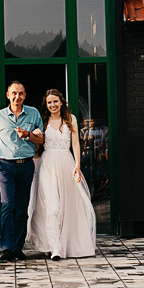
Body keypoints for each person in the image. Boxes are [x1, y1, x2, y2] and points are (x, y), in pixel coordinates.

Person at [26, 88, 97, 259]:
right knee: (52, 207)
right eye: (49, 102)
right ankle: (55, 247)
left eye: (55, 101)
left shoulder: (70, 119)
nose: (52, 105)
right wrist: (34, 135)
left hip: (66, 162)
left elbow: (76, 144)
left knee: (67, 206)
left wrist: (77, 165)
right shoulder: (43, 121)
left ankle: (67, 244)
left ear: (61, 102)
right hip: (48, 164)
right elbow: (37, 143)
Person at [0, 81, 44, 262]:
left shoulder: (34, 113)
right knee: (8, 205)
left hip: (25, 165)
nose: (17, 96)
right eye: (14, 93)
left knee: (22, 208)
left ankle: (17, 248)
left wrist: (28, 135)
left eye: (21, 93)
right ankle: (7, 248)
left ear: (25, 95)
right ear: (8, 95)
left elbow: (41, 140)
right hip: (5, 166)